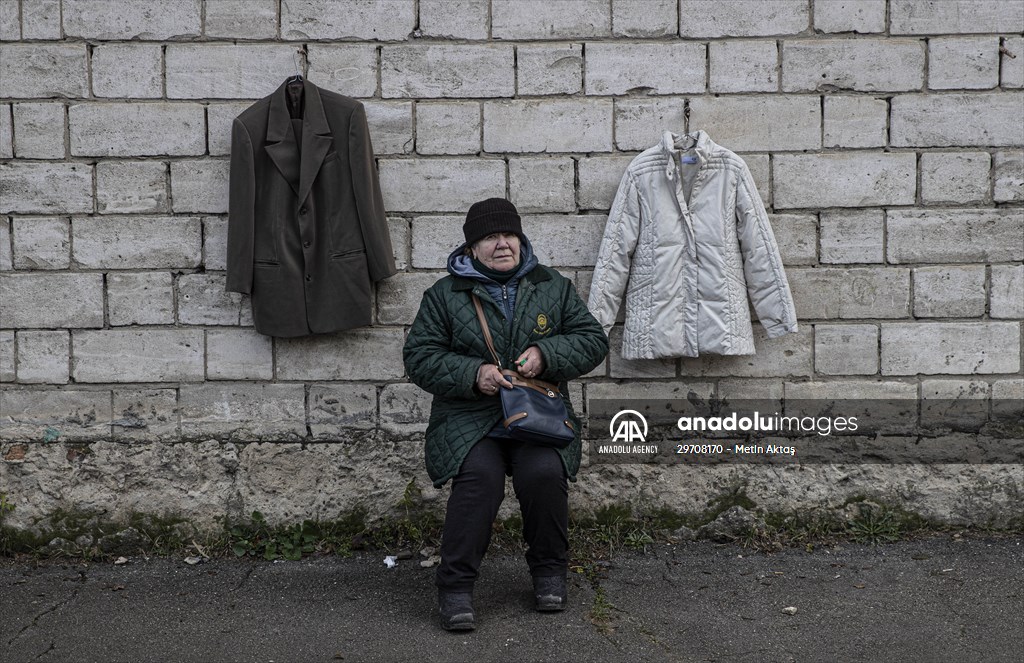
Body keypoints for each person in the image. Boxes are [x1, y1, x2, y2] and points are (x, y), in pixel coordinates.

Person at [403, 198, 609, 631]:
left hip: (537, 416)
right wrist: (474, 373)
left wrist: (546, 353)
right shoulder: (444, 295)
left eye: (509, 234)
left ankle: (549, 573)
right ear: (471, 248)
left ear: (520, 239)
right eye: (490, 237)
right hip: (470, 420)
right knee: (479, 481)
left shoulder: (552, 286)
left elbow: (592, 340)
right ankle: (456, 587)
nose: (502, 244)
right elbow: (419, 358)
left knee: (544, 474)